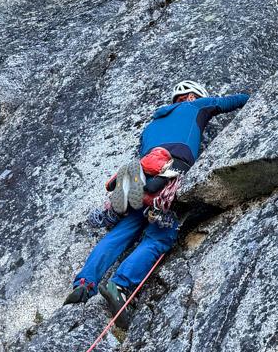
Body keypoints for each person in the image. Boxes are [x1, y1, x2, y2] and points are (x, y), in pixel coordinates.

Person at [65, 79, 249, 321]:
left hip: (142, 172)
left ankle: (84, 283)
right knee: (159, 236)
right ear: (193, 97)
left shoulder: (153, 124)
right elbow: (230, 102)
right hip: (171, 173)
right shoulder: (195, 106)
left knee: (119, 234)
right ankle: (119, 286)